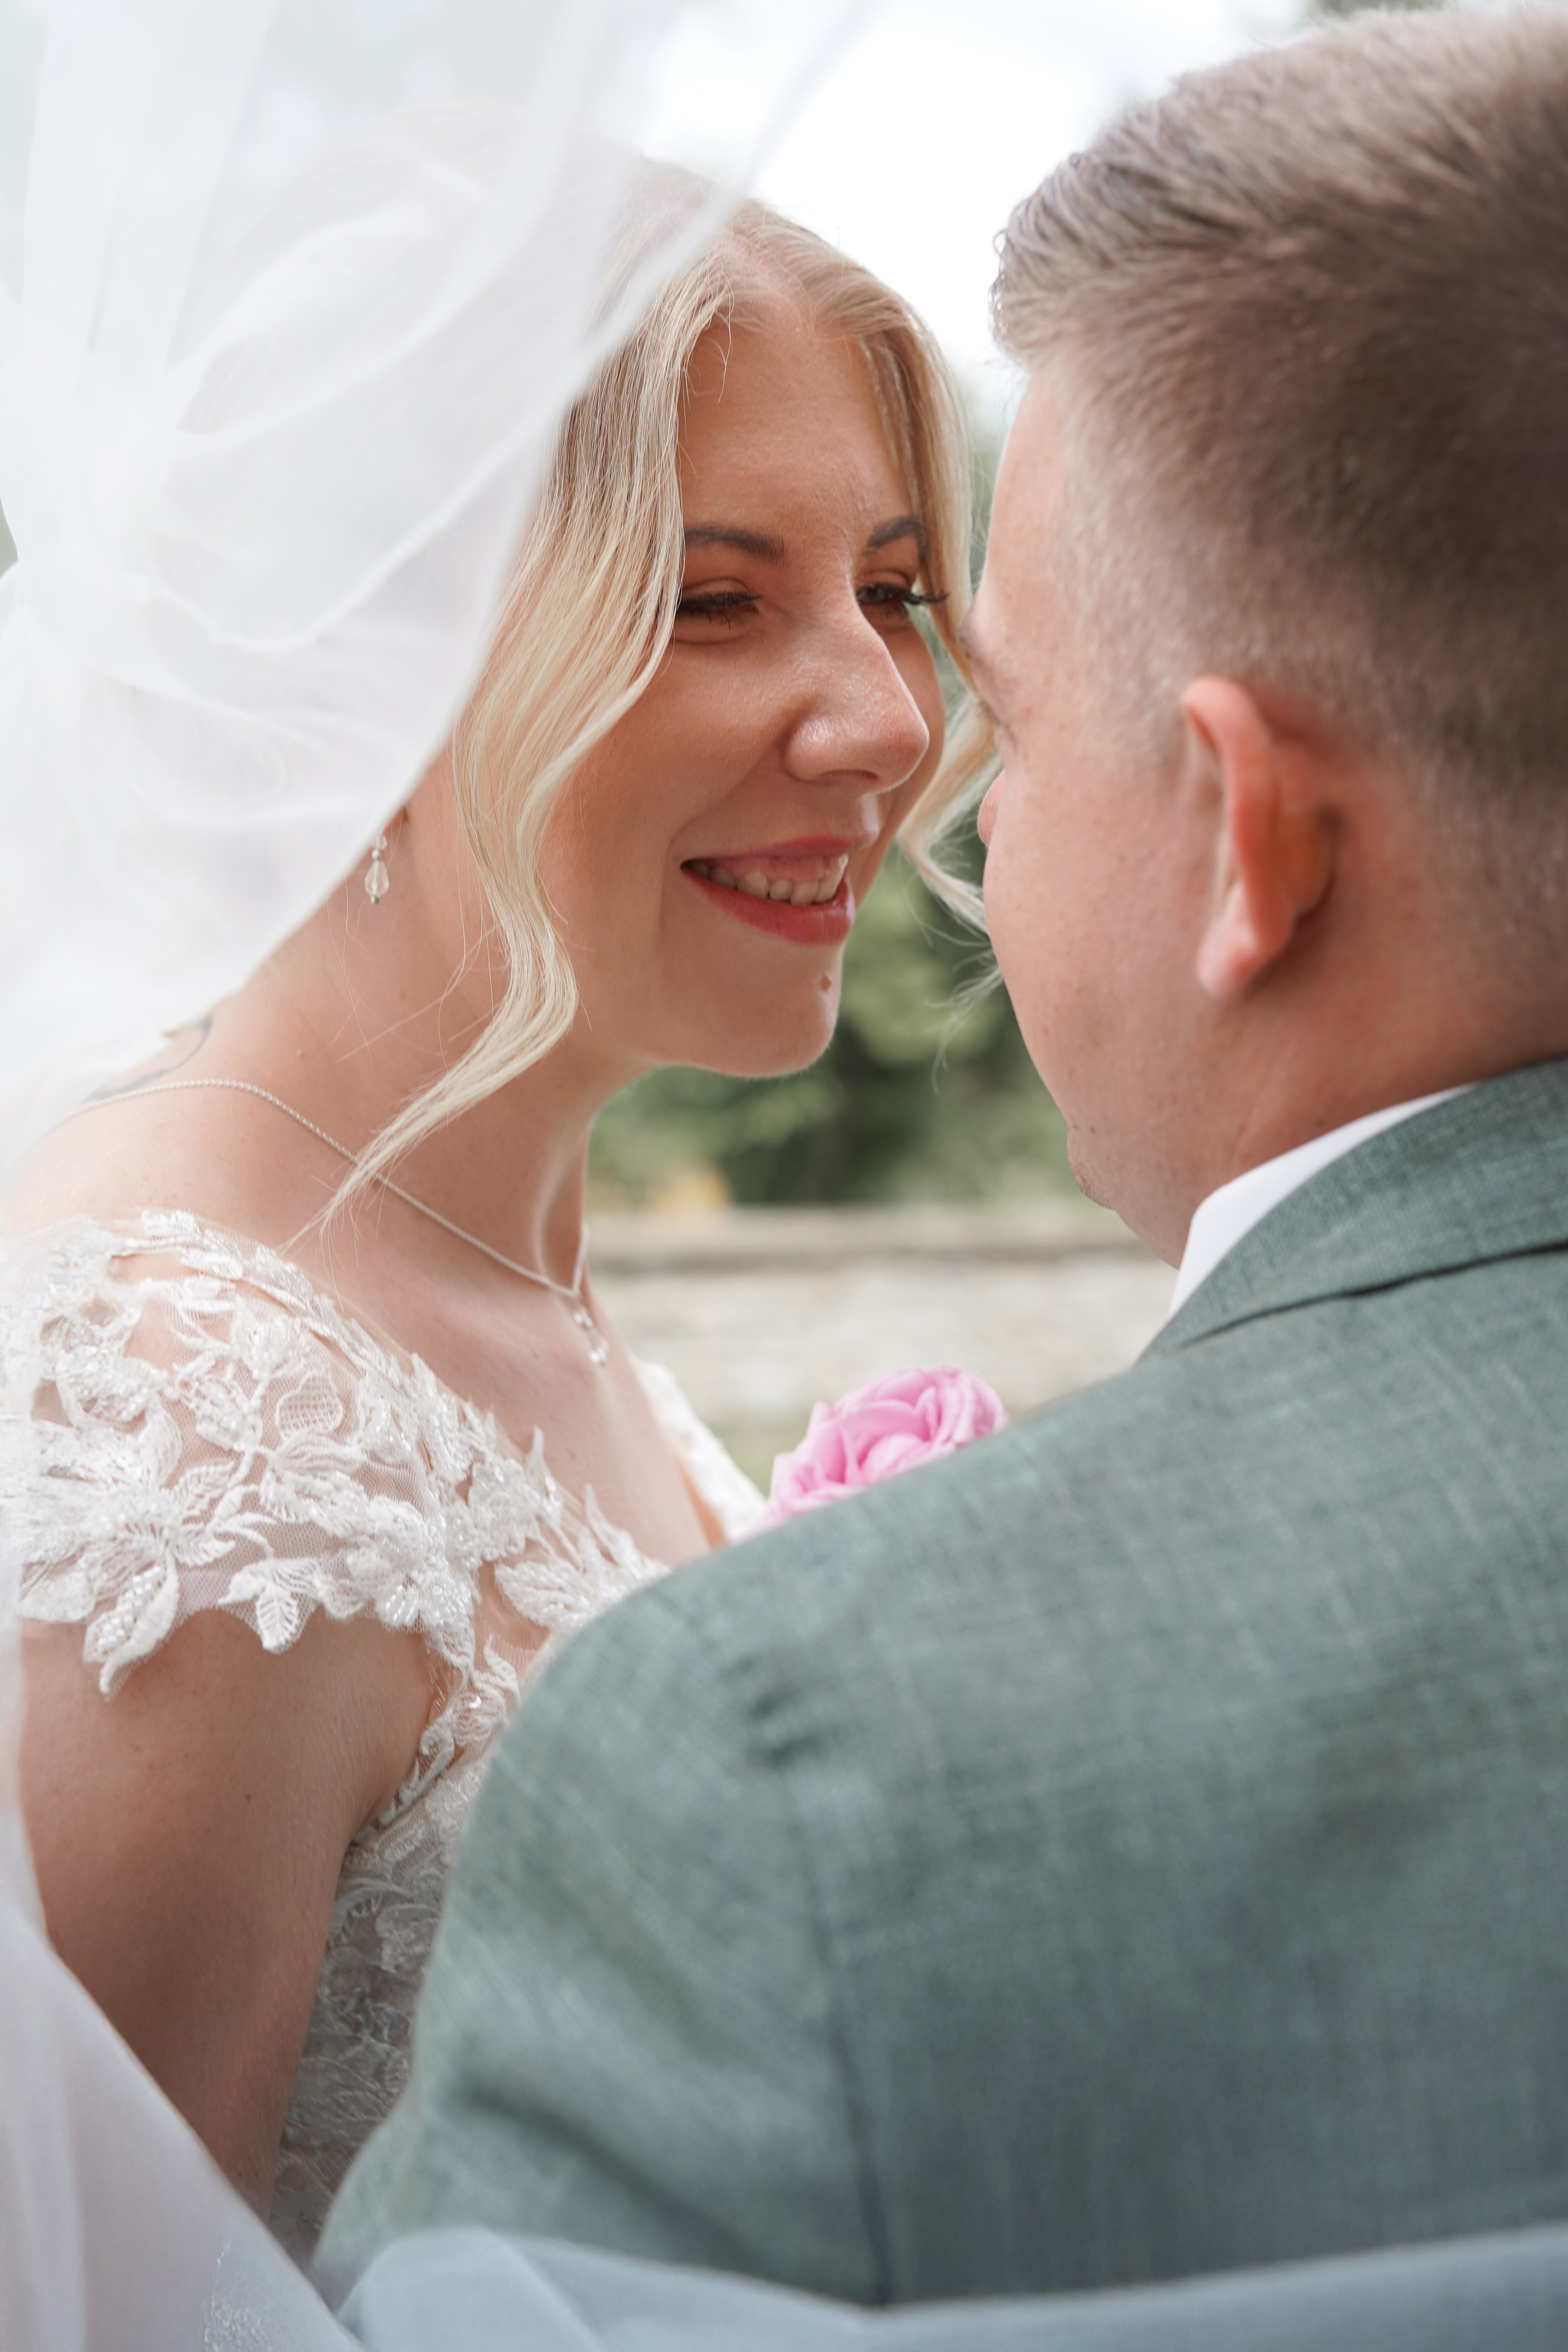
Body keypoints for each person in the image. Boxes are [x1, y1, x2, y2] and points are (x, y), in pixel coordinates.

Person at [320, 4, 1568, 2309]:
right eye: (715, 595)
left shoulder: (788, 1776)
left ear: (1252, 838)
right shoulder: (156, 1406)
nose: (915, 753)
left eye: (973, 656)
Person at [1, 173, 990, 2253]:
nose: (890, 718)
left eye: (892, 589)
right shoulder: (198, 1436)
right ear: (353, 682)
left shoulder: (507, 1279)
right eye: (714, 601)